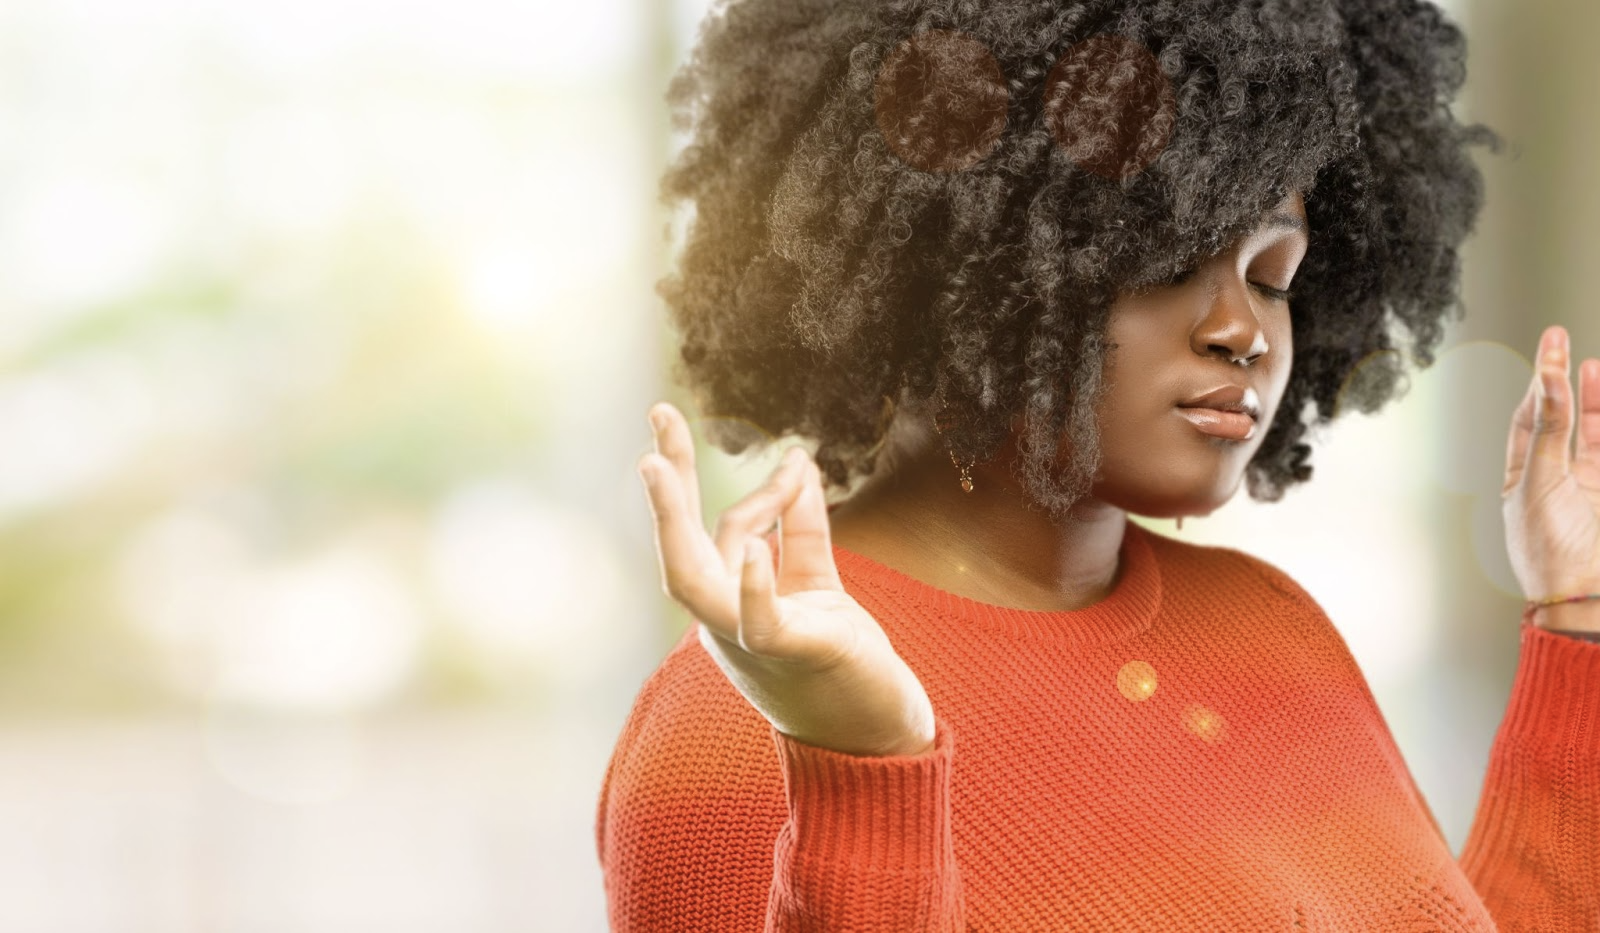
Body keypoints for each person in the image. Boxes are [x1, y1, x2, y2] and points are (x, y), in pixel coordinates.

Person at [597, 0, 1600, 928]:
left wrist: (1581, 622)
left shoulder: (1271, 625)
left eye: (1271, 277)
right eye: (1164, 261)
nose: (1240, 331)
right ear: (953, 265)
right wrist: (865, 776)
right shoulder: (739, 728)